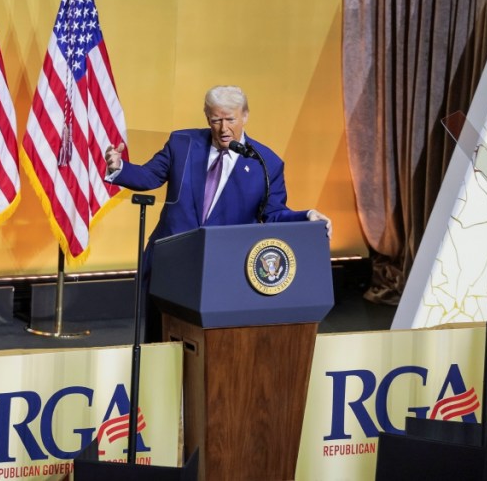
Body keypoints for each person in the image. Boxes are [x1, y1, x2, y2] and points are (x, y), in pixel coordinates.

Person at [105, 85, 332, 342]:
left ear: (245, 115)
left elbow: (273, 213)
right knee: (159, 338)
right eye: (216, 120)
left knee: (209, 344)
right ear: (207, 117)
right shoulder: (183, 144)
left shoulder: (265, 163)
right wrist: (119, 167)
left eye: (231, 119)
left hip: (220, 268)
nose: (224, 128)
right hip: (170, 260)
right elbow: (149, 176)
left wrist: (307, 217)